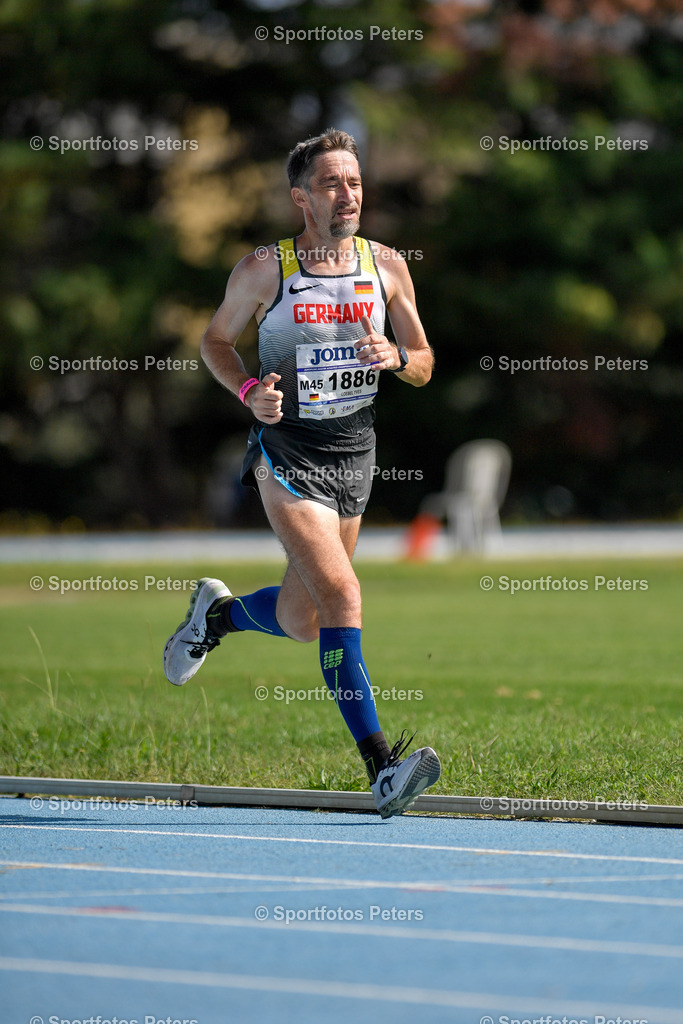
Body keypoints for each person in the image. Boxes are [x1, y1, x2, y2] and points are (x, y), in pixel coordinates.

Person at [163, 128, 441, 818]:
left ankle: (218, 616)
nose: (346, 194)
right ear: (301, 198)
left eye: (353, 182)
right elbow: (214, 340)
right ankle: (382, 767)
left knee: (301, 619)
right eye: (329, 184)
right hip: (287, 453)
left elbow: (425, 362)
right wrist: (247, 390)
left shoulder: (387, 267)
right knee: (343, 600)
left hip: (356, 453)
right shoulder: (266, 268)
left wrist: (395, 359)